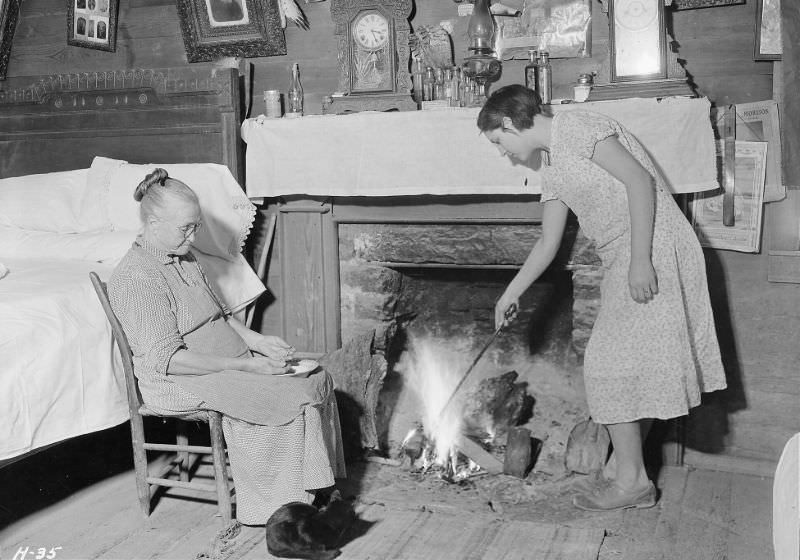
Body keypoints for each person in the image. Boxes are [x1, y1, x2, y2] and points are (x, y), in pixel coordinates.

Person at [477, 85, 727, 511]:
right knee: (633, 365)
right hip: (623, 255)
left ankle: (633, 482)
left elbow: (639, 181)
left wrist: (641, 259)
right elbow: (547, 244)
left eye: (500, 143)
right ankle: (621, 470)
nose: (505, 154)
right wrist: (509, 294)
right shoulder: (552, 167)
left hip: (653, 245)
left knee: (605, 366)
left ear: (507, 123)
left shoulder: (577, 126)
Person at [108, 168, 345, 525]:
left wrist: (258, 342)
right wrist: (247, 367)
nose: (193, 235)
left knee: (314, 380)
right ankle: (281, 513)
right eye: (185, 227)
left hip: (229, 361)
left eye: (196, 225)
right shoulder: (137, 277)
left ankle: (314, 490)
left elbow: (220, 315)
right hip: (180, 380)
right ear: (153, 222)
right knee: (285, 398)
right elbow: (168, 361)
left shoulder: (184, 257)